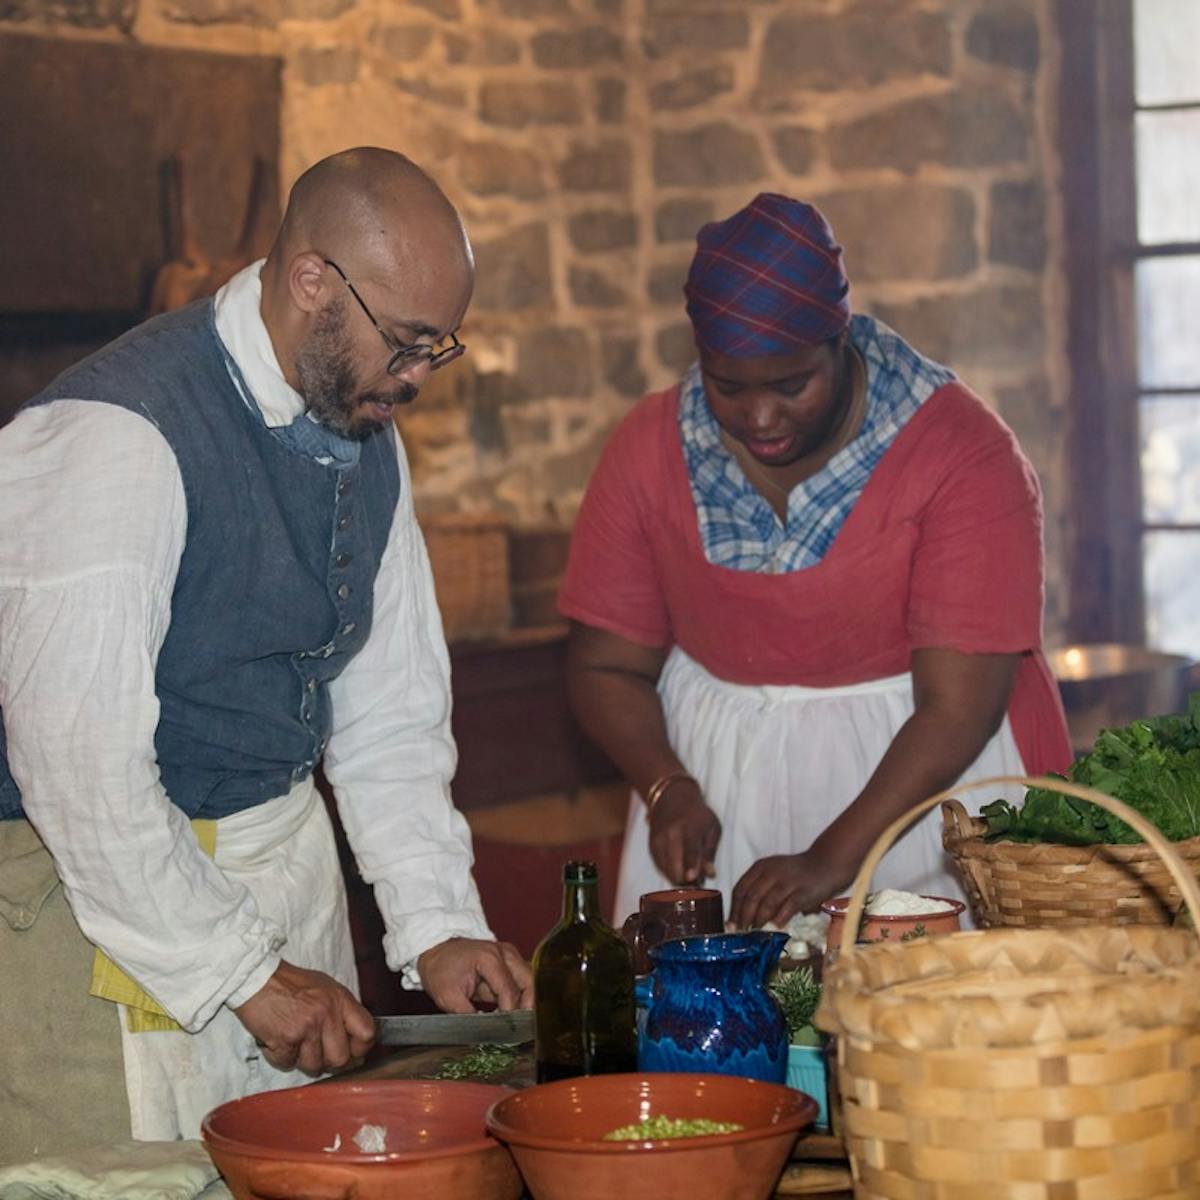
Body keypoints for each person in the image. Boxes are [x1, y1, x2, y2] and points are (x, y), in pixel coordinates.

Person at [0, 147, 532, 1159]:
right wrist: (238, 972)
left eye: (439, 347)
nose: (419, 377)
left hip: (282, 893)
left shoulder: (364, 424)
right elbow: (79, 768)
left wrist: (435, 923)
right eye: (408, 342)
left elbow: (388, 716)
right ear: (311, 282)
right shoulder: (114, 437)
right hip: (98, 913)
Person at [558, 193, 1072, 933]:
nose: (760, 418)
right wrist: (667, 786)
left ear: (842, 341)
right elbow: (605, 666)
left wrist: (834, 857)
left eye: (791, 385)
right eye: (728, 387)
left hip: (917, 800)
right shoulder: (649, 448)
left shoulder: (960, 452)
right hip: (719, 799)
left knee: (925, 1022)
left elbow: (960, 705)